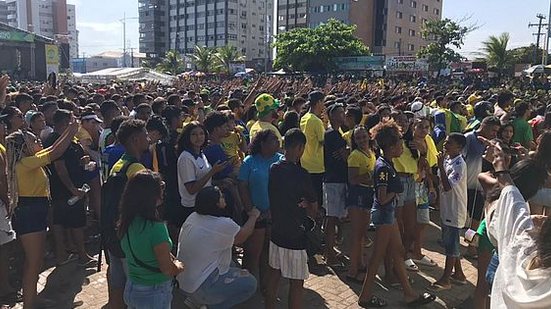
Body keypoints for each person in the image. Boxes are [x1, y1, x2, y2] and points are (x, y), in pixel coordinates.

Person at [357, 120, 435, 308]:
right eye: (400, 144)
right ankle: (365, 297)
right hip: (384, 214)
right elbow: (382, 198)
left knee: (398, 253)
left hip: (388, 214)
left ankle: (409, 294)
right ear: (391, 147)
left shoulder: (387, 163)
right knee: (377, 256)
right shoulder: (384, 167)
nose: (402, 147)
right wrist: (397, 191)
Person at [6, 119, 78, 308]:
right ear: (25, 147)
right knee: (33, 261)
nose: (39, 142)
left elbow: (52, 148)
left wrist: (68, 132)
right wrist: (71, 132)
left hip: (34, 211)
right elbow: (55, 152)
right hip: (30, 212)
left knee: (35, 261)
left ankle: (32, 298)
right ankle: (29, 304)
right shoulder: (25, 163)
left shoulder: (28, 161)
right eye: (34, 140)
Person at [482, 139, 551, 308]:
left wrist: (500, 165)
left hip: (498, 261)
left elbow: (512, 200)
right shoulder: (519, 238)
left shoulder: (519, 246)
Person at [177, 186, 259, 308]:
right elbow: (243, 236)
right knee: (251, 284)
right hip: (201, 286)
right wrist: (254, 216)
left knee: (230, 263)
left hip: (183, 281)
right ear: (215, 203)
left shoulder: (193, 216)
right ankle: (210, 305)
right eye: (220, 196)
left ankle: (196, 300)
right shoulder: (222, 224)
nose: (223, 197)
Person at [265, 128, 318, 309]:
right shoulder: (301, 174)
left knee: (274, 275)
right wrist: (306, 204)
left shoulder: (274, 168)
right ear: (300, 147)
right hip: (296, 234)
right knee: (296, 283)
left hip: (277, 230)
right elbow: (313, 206)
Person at [119, 170, 184, 309]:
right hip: (153, 292)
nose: (162, 190)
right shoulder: (155, 227)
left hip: (132, 287)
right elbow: (167, 269)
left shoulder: (126, 220)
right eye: (160, 186)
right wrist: (178, 266)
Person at [105, 118, 151, 309]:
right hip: (131, 236)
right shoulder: (136, 168)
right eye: (145, 135)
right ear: (135, 140)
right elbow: (146, 203)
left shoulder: (118, 164)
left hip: (114, 232)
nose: (149, 139)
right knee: (135, 287)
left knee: (117, 282)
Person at [43, 109, 95, 266]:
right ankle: (82, 255)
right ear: (66, 122)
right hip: (66, 190)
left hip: (67, 189)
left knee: (62, 222)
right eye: (73, 119)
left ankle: (64, 253)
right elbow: (60, 168)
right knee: (76, 223)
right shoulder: (56, 139)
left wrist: (80, 162)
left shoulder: (68, 139)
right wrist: (73, 189)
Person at [238, 129, 283, 291]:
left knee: (269, 253)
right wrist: (251, 210)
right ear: (262, 144)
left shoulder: (281, 160)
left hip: (275, 214)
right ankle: (246, 285)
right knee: (252, 252)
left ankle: (265, 286)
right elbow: (242, 186)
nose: (277, 143)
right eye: (273, 141)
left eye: (278, 140)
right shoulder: (249, 161)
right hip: (254, 215)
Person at [431, 133, 468, 290]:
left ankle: (446, 279)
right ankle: (459, 274)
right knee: (449, 242)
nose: (445, 145)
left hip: (455, 209)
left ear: (459, 147)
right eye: (445, 142)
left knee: (451, 245)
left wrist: (439, 166)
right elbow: (439, 181)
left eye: (449, 143)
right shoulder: (447, 159)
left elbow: (447, 186)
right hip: (446, 208)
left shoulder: (459, 164)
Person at [176, 122, 227, 228]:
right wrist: (212, 172)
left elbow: (204, 179)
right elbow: (191, 189)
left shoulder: (201, 154)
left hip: (206, 203)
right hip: (193, 206)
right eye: (194, 134)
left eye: (201, 134)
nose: (198, 137)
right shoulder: (186, 157)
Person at [345, 125, 376, 283]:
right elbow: (353, 179)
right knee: (357, 234)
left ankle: (361, 263)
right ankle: (352, 269)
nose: (362, 140)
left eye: (364, 136)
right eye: (358, 138)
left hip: (368, 194)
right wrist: (371, 175)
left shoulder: (371, 153)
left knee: (363, 233)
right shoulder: (355, 156)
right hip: (357, 195)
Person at [322, 104, 348, 266]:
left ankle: (331, 250)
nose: (343, 115)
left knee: (334, 217)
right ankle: (329, 253)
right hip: (333, 180)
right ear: (331, 116)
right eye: (339, 113)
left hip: (338, 179)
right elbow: (344, 156)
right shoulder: (332, 134)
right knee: (331, 219)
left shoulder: (338, 133)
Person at [300, 91, 326, 207]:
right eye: (323, 102)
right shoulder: (316, 121)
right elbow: (323, 141)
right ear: (319, 102)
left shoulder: (304, 118)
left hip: (305, 162)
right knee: (317, 201)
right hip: (317, 165)